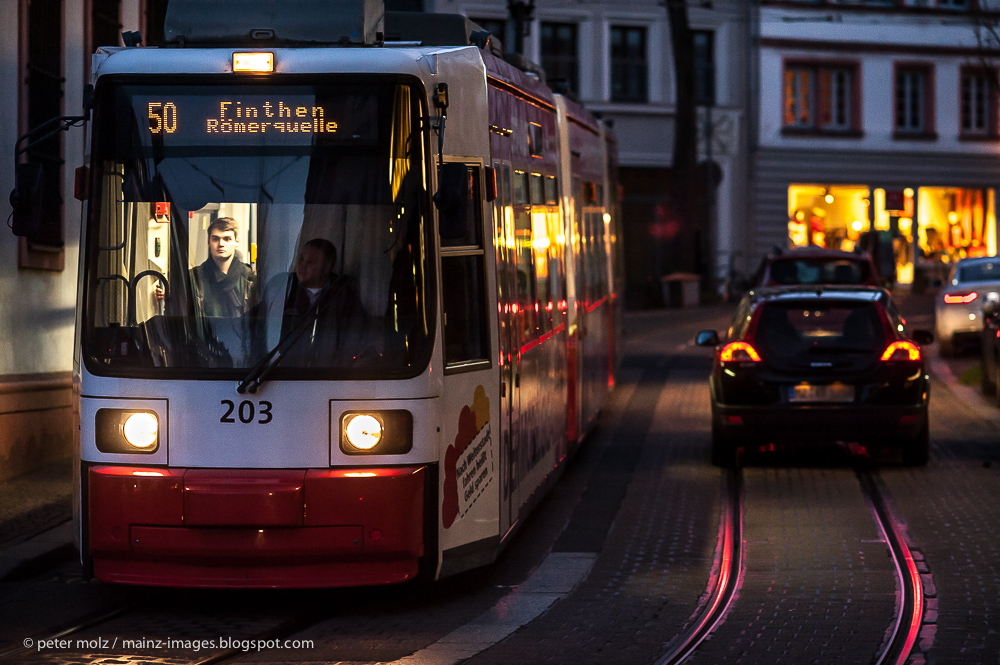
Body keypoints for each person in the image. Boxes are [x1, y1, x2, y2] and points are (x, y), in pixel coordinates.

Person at [265, 238, 362, 366]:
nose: (302, 266)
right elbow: (257, 326)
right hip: (283, 375)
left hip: (328, 376)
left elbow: (355, 336)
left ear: (327, 267)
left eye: (310, 262)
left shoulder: (343, 294)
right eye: (301, 259)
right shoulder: (283, 289)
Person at [189, 217, 256, 317]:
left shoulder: (250, 279)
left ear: (236, 241)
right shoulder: (194, 278)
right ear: (208, 242)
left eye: (227, 239)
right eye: (215, 239)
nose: (221, 244)